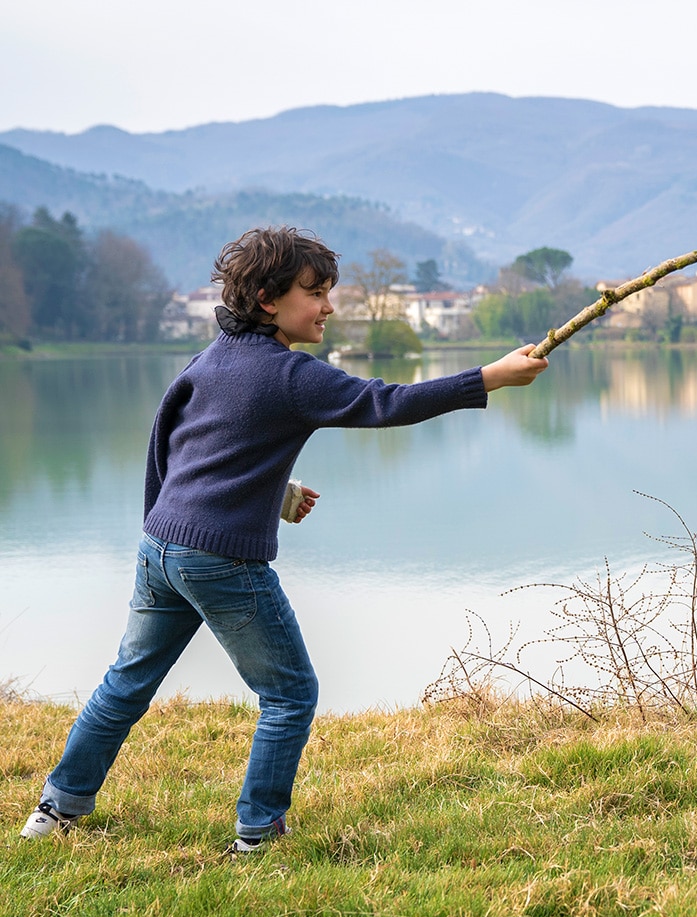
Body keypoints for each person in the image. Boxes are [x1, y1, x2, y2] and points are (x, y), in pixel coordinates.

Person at [19, 227, 548, 853]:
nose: (327, 306)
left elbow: (177, 446)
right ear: (269, 299)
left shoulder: (211, 359)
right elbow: (389, 402)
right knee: (290, 693)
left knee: (125, 682)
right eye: (315, 293)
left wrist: (265, 493)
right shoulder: (293, 375)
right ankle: (257, 833)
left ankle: (55, 810)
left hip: (161, 545)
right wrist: (490, 377)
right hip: (221, 558)